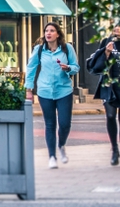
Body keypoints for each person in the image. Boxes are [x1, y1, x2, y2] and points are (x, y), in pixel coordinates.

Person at [24, 22, 79, 169]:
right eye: (46, 31)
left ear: (58, 34)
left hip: (64, 91)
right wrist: (28, 89)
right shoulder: (39, 49)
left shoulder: (67, 49)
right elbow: (31, 68)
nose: (48, 33)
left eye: (52, 30)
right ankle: (52, 157)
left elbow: (76, 67)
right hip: (45, 91)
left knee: (65, 124)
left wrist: (68, 68)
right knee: (50, 124)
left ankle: (61, 145)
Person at [86, 26, 120, 167]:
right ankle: (114, 149)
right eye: (115, 25)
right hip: (109, 83)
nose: (117, 28)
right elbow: (98, 66)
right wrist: (107, 53)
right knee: (110, 116)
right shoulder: (107, 41)